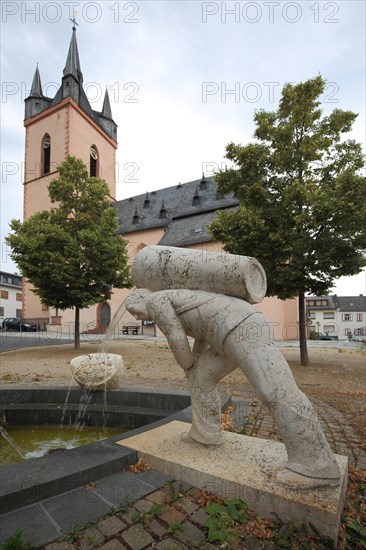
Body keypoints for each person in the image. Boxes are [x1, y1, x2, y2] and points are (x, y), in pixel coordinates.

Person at [125, 287, 341, 489]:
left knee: (272, 389)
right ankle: (205, 434)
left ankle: (315, 463)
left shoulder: (155, 300)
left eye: (133, 310)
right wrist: (195, 361)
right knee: (201, 379)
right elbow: (200, 329)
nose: (135, 317)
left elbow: (175, 336)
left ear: (141, 298)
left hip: (240, 326)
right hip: (227, 329)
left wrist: (188, 363)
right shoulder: (176, 297)